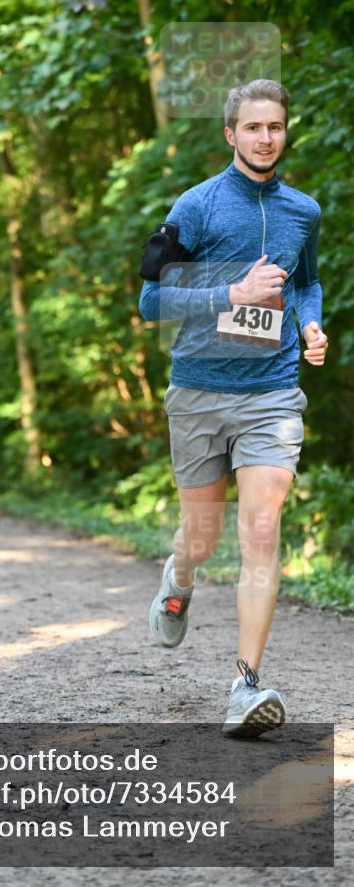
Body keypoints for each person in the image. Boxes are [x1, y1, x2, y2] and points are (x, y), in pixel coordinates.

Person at [140, 79, 328, 737]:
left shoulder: (302, 211)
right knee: (201, 535)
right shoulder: (196, 206)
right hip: (198, 391)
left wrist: (309, 324)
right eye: (253, 127)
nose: (265, 138)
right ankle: (179, 576)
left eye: (274, 126)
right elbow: (150, 302)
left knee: (261, 526)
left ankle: (245, 686)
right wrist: (232, 293)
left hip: (271, 393)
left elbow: (307, 282)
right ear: (230, 134)